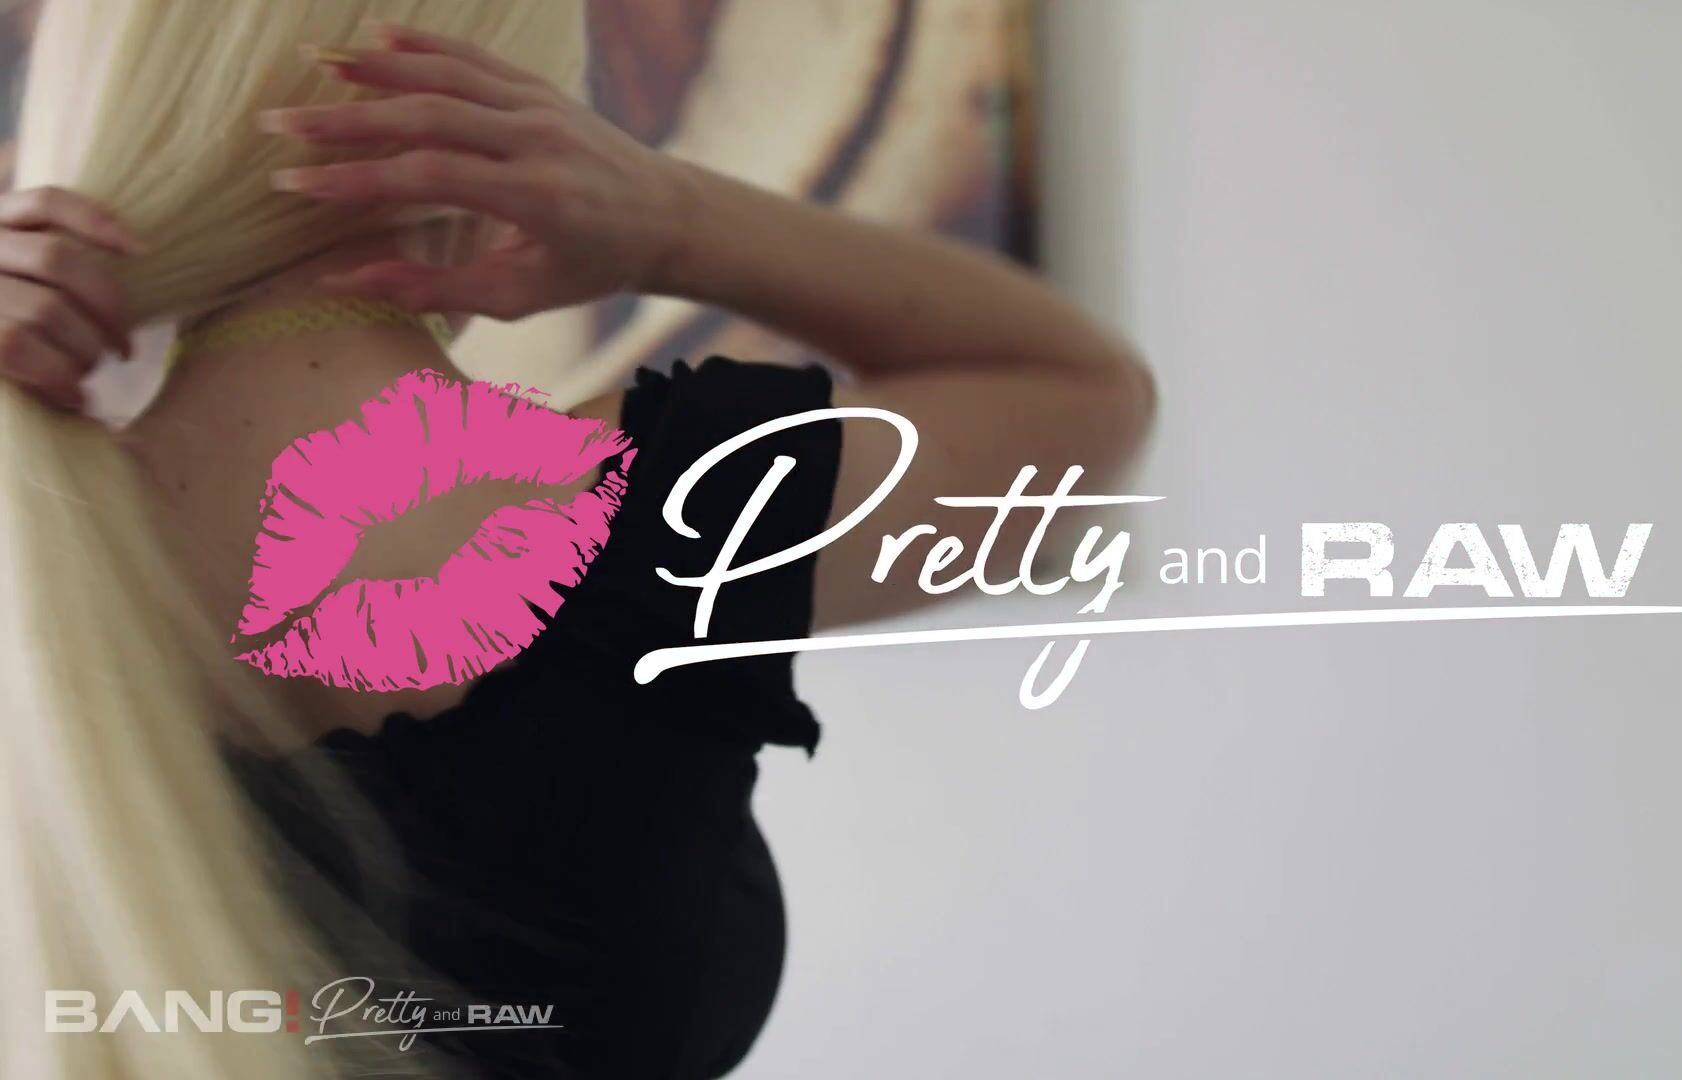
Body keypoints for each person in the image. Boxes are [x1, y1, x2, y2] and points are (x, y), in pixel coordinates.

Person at [0, 3, 1153, 1078]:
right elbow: (1081, 395)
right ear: (514, 123)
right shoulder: (684, 498)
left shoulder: (27, 530)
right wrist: (674, 220)